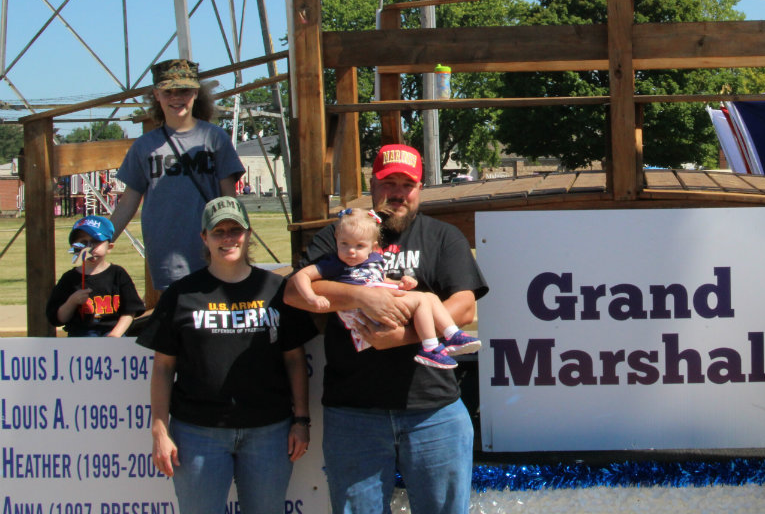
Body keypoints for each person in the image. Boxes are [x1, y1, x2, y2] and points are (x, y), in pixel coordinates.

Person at [284, 144, 489, 514]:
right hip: (354, 412)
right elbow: (295, 293)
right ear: (372, 185)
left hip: (433, 410)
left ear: (420, 188)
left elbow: (465, 305)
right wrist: (362, 298)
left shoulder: (442, 236)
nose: (397, 192)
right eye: (387, 182)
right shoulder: (343, 234)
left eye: (406, 184)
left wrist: (403, 336)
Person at [137, 196, 316, 514]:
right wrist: (159, 430)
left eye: (235, 229)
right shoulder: (182, 294)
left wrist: (301, 419)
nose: (228, 238)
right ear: (203, 237)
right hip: (197, 432)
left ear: (248, 234)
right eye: (218, 232)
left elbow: (294, 358)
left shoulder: (276, 289)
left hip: (269, 430)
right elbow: (164, 367)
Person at [111, 59, 245, 290]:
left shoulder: (215, 138)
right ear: (156, 95)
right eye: (168, 92)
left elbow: (230, 200)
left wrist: (237, 244)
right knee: (176, 319)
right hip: (167, 253)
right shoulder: (144, 146)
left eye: (183, 91)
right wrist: (103, 238)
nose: (176, 98)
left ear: (195, 92)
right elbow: (128, 202)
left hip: (213, 250)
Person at [290, 207, 482, 366]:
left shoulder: (373, 261)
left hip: (383, 311)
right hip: (361, 318)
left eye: (359, 246)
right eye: (344, 244)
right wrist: (312, 297)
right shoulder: (337, 263)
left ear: (373, 248)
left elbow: (381, 280)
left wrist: (400, 284)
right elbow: (300, 278)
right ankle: (431, 346)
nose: (350, 251)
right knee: (423, 300)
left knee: (428, 298)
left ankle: (451, 336)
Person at [46, 215, 144, 337]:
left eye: (96, 241)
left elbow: (130, 311)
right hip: (80, 337)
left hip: (113, 334)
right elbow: (58, 318)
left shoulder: (118, 274)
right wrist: (72, 301)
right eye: (83, 242)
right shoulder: (69, 279)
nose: (89, 248)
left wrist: (115, 335)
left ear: (109, 247)